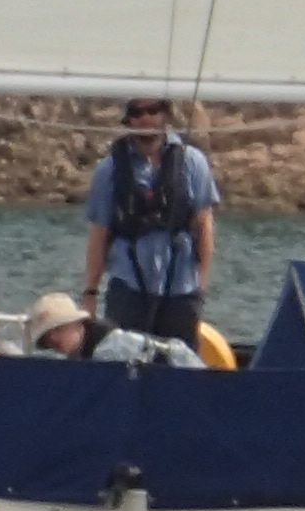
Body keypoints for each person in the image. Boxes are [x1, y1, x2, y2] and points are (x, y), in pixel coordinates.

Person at [82, 97, 220, 350]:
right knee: (122, 358)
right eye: (137, 112)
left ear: (165, 113)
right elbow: (99, 234)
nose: (146, 118)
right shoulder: (109, 170)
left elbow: (204, 226)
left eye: (153, 110)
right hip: (128, 289)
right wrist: (90, 293)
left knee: (180, 362)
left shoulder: (193, 162)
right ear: (128, 119)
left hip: (181, 288)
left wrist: (201, 287)